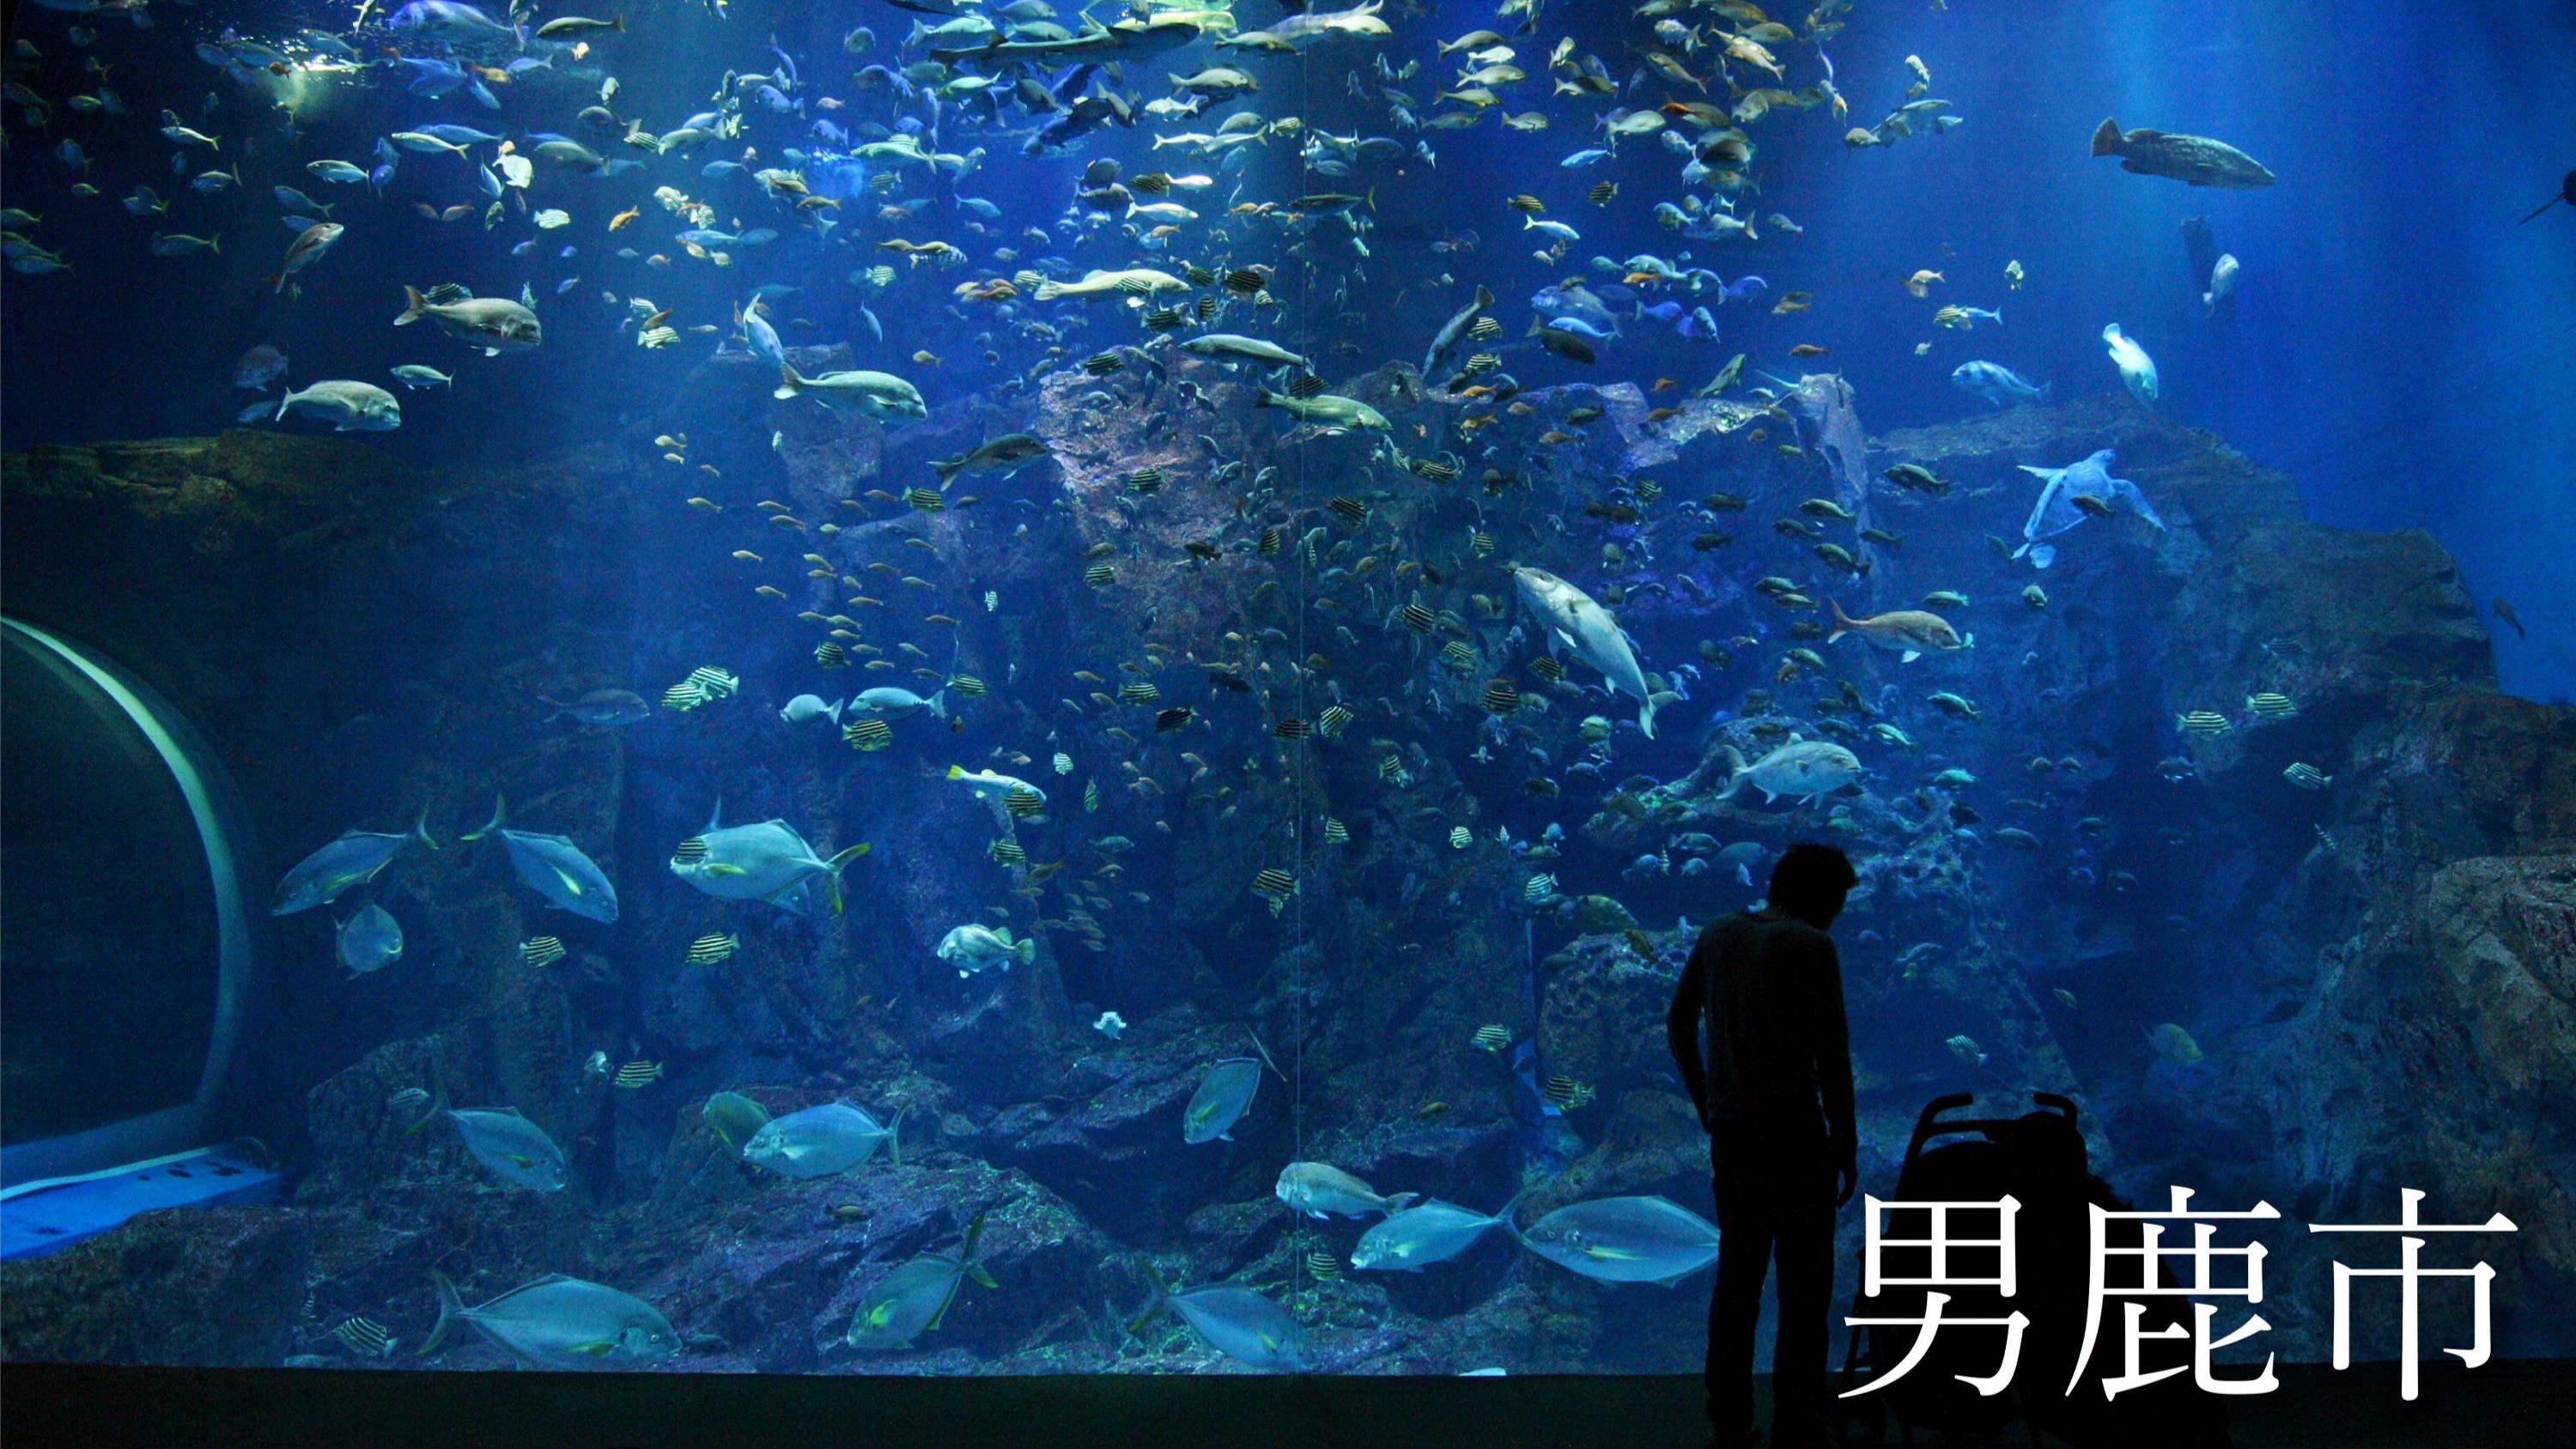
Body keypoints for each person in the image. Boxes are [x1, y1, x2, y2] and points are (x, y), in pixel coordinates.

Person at [1667, 842, 1861, 1449]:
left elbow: (1678, 1023)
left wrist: (1707, 1102)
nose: (1838, 912)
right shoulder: (1812, 946)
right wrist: (1846, 1141)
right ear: (1815, 894)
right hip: (1798, 1142)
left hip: (1734, 1142)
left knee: (1737, 1284)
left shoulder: (1719, 934)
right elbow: (1833, 1056)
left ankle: (1729, 1419)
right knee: (1805, 1288)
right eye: (1837, 899)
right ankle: (1798, 1420)